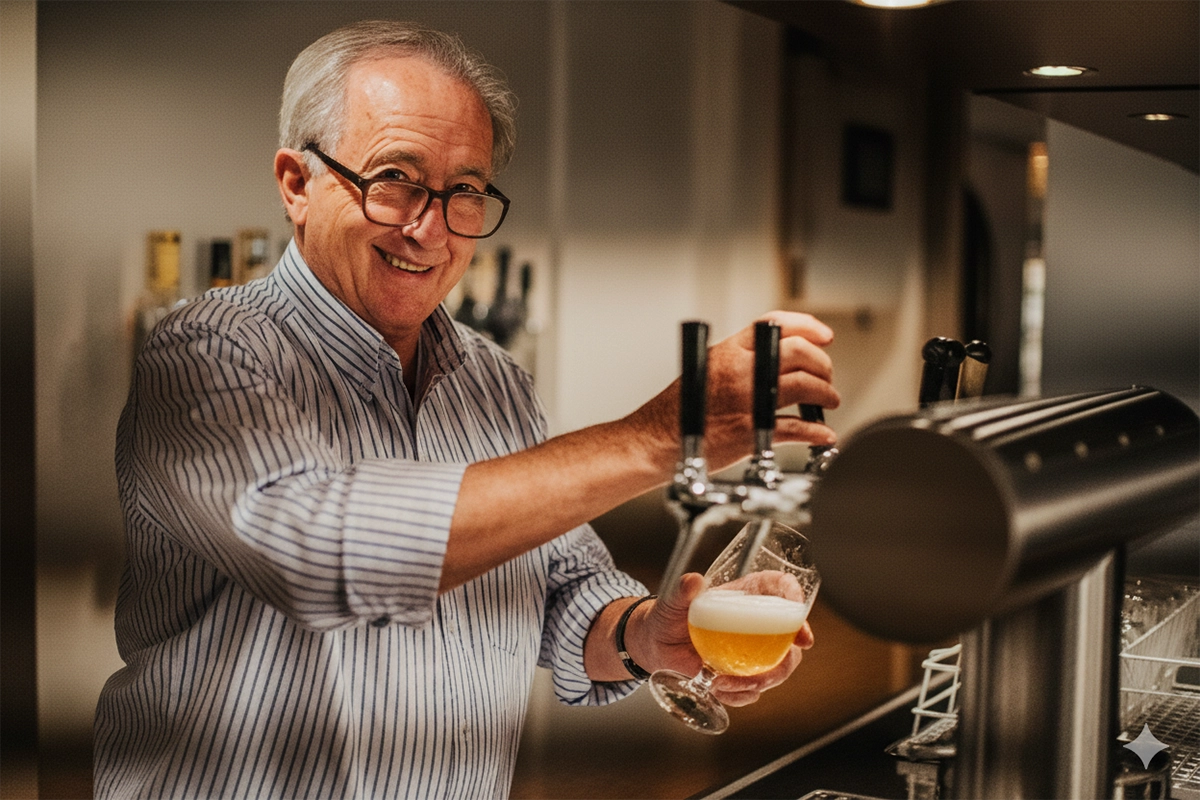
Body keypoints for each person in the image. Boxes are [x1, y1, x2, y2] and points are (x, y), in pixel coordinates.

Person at [94, 19, 840, 799]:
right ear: (296, 183)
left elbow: (561, 591)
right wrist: (657, 436)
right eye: (394, 180)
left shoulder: (495, 380)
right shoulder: (205, 353)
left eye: (466, 194)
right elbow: (316, 554)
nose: (429, 228)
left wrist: (644, 633)